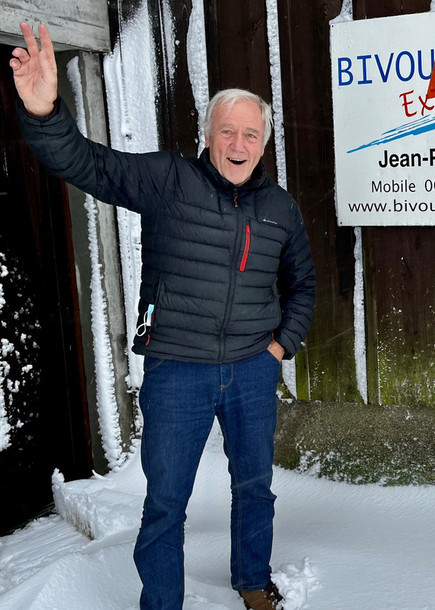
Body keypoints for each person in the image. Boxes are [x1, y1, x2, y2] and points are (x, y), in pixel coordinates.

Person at [9, 22, 316, 610]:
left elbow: (303, 281)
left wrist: (280, 348)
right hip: (178, 371)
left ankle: (252, 581)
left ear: (264, 143)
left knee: (255, 487)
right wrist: (45, 110)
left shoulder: (280, 208)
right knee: (167, 501)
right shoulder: (168, 180)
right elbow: (87, 164)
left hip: (253, 369)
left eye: (251, 133)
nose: (238, 142)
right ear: (209, 134)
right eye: (228, 130)